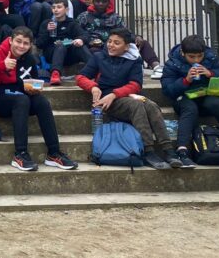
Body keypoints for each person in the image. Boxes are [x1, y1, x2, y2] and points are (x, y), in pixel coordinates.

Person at [0, 27, 77, 172]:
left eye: (26, 43)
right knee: (22, 100)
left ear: (30, 45)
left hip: (20, 96)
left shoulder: (30, 59)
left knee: (41, 101)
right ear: (11, 40)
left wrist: (33, 89)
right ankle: (20, 154)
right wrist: (1, 65)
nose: (21, 46)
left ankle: (54, 153)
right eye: (18, 41)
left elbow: (32, 80)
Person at [76, 27, 177, 169]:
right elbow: (81, 77)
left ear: (127, 47)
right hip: (107, 101)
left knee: (151, 105)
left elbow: (135, 84)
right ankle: (148, 151)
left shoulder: (134, 59)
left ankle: (169, 150)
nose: (111, 45)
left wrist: (115, 94)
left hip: (125, 95)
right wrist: (93, 87)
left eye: (116, 43)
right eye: (109, 41)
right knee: (136, 105)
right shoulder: (99, 57)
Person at [161, 34, 219, 168]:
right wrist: (186, 80)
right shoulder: (172, 63)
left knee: (216, 104)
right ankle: (182, 150)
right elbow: (168, 90)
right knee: (190, 108)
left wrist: (210, 74)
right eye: (191, 57)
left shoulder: (210, 58)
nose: (196, 60)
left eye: (200, 56)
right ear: (183, 53)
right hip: (184, 98)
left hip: (207, 96)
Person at [77, 0, 164, 78]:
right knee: (94, 51)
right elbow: (78, 33)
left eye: (104, 1)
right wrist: (89, 41)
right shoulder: (84, 16)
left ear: (108, 2)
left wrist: (136, 37)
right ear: (93, 2)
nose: (100, 4)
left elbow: (125, 32)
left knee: (142, 42)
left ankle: (156, 67)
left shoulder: (115, 17)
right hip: (95, 47)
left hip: (116, 44)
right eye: (98, 1)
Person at [36, 0, 91, 85]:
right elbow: (39, 44)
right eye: (53, 7)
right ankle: (55, 74)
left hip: (69, 55)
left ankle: (96, 71)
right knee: (60, 46)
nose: (56, 10)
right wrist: (47, 32)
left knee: (81, 46)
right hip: (52, 55)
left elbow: (85, 35)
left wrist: (80, 39)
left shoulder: (72, 23)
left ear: (66, 10)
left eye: (59, 7)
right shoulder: (47, 23)